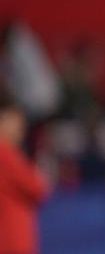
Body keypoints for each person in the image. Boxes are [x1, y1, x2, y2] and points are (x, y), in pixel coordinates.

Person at [0, 84, 50, 254]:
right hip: (11, 243)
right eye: (16, 119)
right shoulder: (5, 152)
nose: (21, 126)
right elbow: (38, 188)